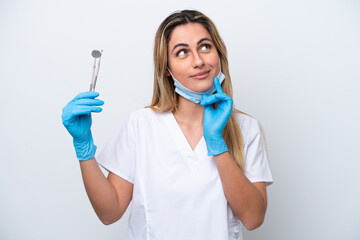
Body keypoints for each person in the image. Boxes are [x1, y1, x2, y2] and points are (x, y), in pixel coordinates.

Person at [62, 9, 273, 240]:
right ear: (167, 69)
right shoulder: (141, 125)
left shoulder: (246, 128)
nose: (199, 61)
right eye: (182, 52)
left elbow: (253, 218)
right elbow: (109, 213)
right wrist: (83, 148)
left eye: (205, 47)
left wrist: (217, 143)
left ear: (219, 55)